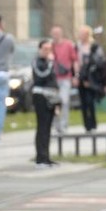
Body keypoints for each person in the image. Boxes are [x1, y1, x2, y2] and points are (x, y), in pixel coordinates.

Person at [29, 39, 58, 167]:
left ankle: (46, 156)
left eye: (49, 49)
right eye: (45, 49)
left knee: (47, 127)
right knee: (42, 126)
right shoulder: (36, 61)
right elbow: (41, 76)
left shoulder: (50, 62)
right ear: (40, 49)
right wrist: (51, 64)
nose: (47, 52)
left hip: (51, 96)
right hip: (40, 95)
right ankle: (40, 157)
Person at [75, 26, 104, 133]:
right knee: (83, 102)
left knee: (90, 101)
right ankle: (86, 125)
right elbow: (75, 62)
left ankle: (93, 123)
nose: (81, 36)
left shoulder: (94, 46)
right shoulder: (77, 47)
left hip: (91, 78)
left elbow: (99, 62)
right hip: (81, 78)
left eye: (83, 34)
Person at [50, 25, 77, 134]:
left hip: (66, 77)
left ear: (61, 34)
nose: (55, 36)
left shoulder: (68, 45)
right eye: (53, 33)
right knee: (54, 102)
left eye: (57, 33)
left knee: (64, 101)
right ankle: (56, 124)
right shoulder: (50, 46)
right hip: (53, 78)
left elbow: (74, 60)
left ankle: (64, 124)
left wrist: (75, 76)